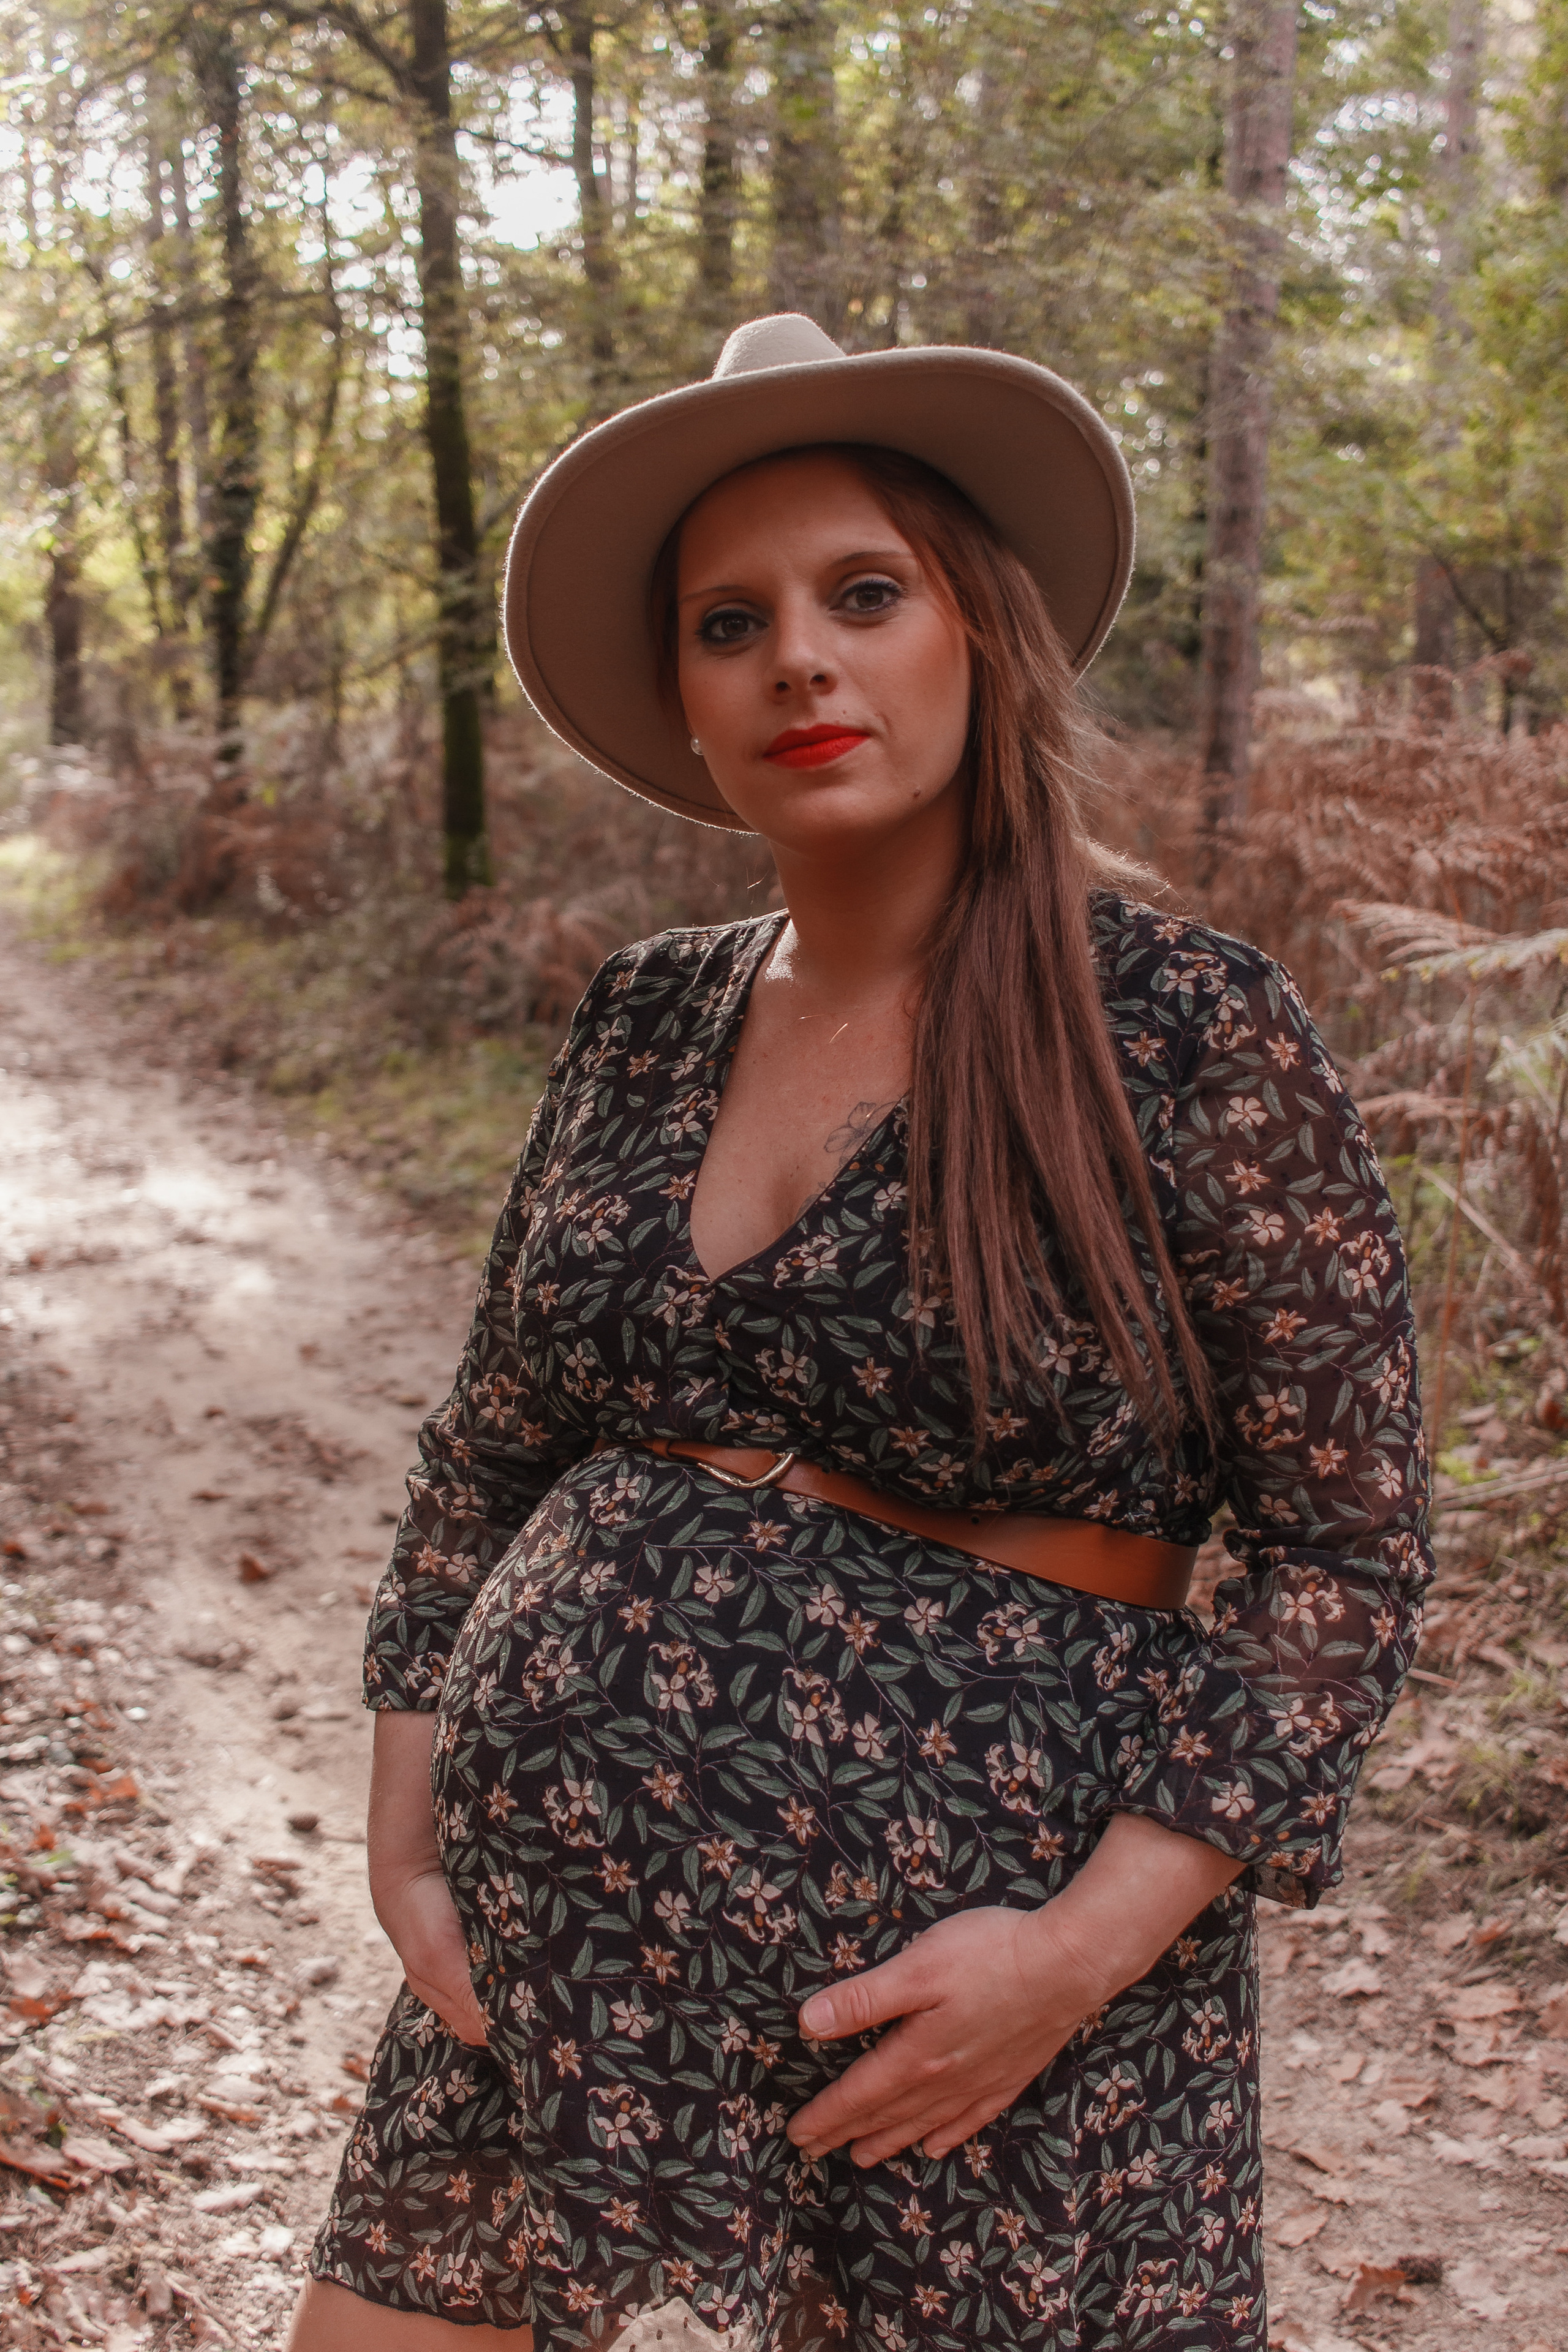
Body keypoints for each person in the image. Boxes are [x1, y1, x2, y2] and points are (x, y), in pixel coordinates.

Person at [288, 314, 1432, 2352]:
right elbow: (489, 1450)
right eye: (732, 623)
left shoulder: (1175, 1024)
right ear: (690, 701)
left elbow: (1343, 1556)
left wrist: (1080, 1954)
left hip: (968, 2049)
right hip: (565, 1981)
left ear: (978, 633)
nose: (798, 657)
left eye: (863, 594)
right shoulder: (645, 1016)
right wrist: (411, 1824)